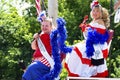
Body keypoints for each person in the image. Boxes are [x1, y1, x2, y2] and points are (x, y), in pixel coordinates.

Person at [59, 0, 110, 77]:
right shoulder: (94, 21)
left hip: (96, 45)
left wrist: (87, 31)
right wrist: (85, 30)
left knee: (76, 51)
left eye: (97, 11)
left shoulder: (100, 21)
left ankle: (84, 74)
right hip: (89, 43)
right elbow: (88, 35)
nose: (95, 13)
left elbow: (97, 35)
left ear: (101, 13)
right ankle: (81, 74)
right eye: (93, 11)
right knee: (74, 51)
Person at [22, 12, 66, 80]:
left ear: (51, 27)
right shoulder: (40, 36)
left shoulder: (54, 36)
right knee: (30, 71)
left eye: (46, 26)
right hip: (37, 60)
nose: (44, 27)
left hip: (47, 61)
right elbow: (33, 47)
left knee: (32, 68)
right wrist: (35, 38)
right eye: (42, 25)